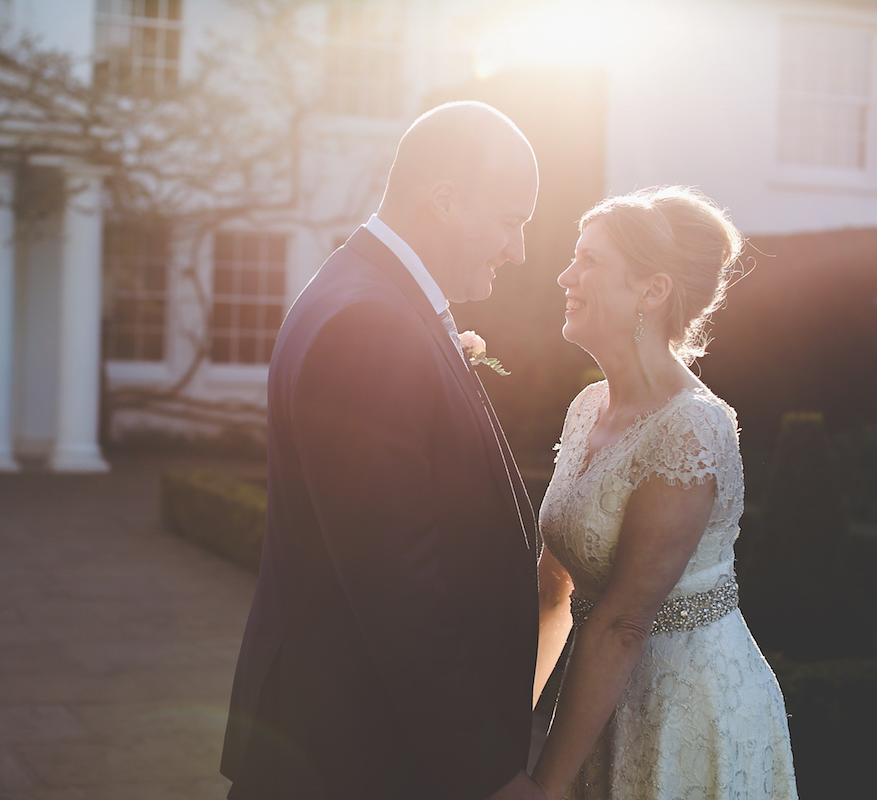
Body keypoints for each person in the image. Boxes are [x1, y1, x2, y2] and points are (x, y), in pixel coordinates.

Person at [221, 101, 546, 800]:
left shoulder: (368, 295)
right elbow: (398, 584)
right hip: (361, 756)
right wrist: (487, 774)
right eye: (511, 219)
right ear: (445, 201)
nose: (517, 249)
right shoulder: (370, 323)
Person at [531, 187, 797, 799]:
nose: (566, 275)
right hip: (595, 702)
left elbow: (624, 621)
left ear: (652, 291)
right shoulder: (586, 407)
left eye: (589, 260)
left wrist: (540, 788)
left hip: (687, 715)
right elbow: (553, 587)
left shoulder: (693, 426)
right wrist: (502, 732)